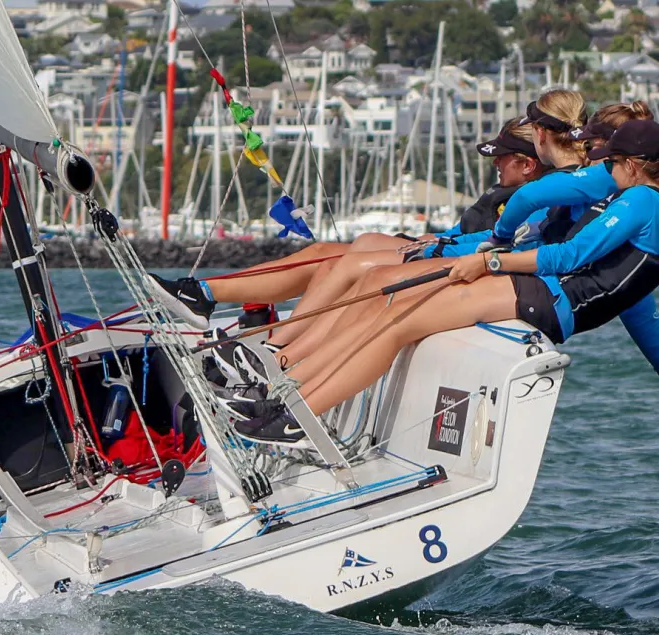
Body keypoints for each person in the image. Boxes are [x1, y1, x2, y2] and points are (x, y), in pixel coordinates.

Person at [232, 118, 659, 444]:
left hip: (557, 300)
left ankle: (294, 417)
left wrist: (492, 263)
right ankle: (288, 403)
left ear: (635, 165)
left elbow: (570, 256)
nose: (608, 169)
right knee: (396, 306)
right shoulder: (640, 198)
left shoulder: (642, 198)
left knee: (400, 321)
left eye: (614, 162)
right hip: (553, 295)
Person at [146, 118, 549, 331]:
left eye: (503, 157)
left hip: (455, 263)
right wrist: (441, 239)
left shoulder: (531, 200)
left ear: (527, 164)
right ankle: (204, 293)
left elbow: (502, 246)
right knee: (325, 252)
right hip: (443, 247)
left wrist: (439, 246)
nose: (495, 163)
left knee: (336, 262)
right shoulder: (514, 193)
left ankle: (281, 346)